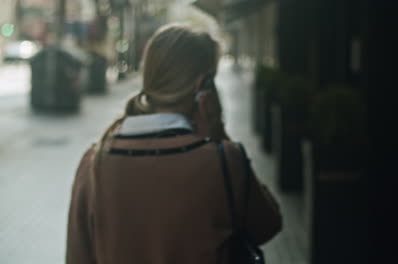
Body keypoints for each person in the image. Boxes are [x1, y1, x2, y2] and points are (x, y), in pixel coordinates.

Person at [66, 24, 282, 264]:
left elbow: (78, 257)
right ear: (203, 86)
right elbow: (269, 224)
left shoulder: (93, 163)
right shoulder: (224, 162)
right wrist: (219, 133)